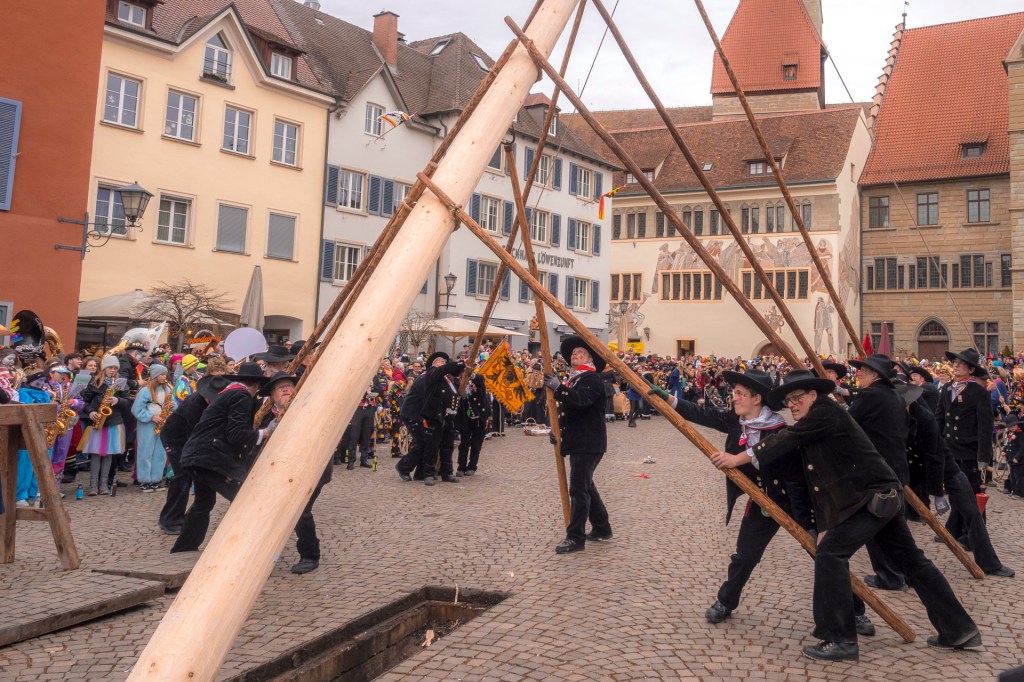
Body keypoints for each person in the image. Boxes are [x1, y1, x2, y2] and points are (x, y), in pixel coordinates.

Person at [712, 370, 981, 662]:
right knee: (913, 562)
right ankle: (959, 630)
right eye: (789, 400)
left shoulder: (825, 411)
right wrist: (826, 523)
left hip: (870, 499)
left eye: (798, 398)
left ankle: (840, 639)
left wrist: (737, 458)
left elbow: (786, 438)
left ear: (814, 395)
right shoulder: (817, 419)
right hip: (874, 498)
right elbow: (821, 484)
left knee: (829, 555)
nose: (793, 405)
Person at [650, 368, 819, 625]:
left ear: (757, 399)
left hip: (792, 501)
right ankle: (726, 601)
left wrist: (807, 523)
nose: (734, 398)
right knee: (745, 556)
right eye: (734, 393)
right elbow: (702, 414)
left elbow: (796, 481)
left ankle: (856, 609)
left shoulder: (780, 431)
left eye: (739, 394)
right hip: (761, 501)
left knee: (821, 554)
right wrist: (669, 399)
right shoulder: (734, 420)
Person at [171, 363, 275, 553]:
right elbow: (235, 434)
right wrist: (266, 432)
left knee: (204, 503)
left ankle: (184, 548)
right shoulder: (241, 396)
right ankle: (248, 549)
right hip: (209, 457)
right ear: (256, 385)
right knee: (243, 499)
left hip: (199, 455)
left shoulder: (229, 393)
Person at [255, 372, 330, 573]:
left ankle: (310, 555)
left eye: (289, 385)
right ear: (272, 395)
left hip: (313, 466)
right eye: (281, 388)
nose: (286, 389)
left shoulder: (308, 407)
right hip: (281, 470)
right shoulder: (267, 416)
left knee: (300, 510)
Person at [543, 335, 612, 554]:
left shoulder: (591, 378)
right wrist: (557, 431)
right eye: (573, 352)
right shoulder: (575, 378)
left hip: (589, 441)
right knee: (586, 485)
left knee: (578, 490)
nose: (575, 354)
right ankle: (602, 528)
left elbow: (580, 401)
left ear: (589, 358)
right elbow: (568, 412)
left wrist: (559, 390)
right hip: (580, 440)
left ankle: (575, 537)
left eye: (580, 352)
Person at [158, 374, 230, 535]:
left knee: (188, 475)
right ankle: (170, 520)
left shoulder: (219, 403)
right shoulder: (194, 405)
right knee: (182, 475)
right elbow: (196, 435)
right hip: (175, 439)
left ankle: (179, 518)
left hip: (191, 438)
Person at [396, 351, 466, 485]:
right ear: (434, 364)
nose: (444, 364)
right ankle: (405, 467)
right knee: (425, 443)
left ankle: (424, 473)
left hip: (436, 415)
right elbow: (427, 399)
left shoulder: (445, 379)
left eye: (445, 362)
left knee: (442, 445)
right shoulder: (429, 375)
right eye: (441, 361)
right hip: (414, 414)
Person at [79, 356, 131, 496]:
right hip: (97, 422)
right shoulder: (94, 382)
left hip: (113, 422)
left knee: (108, 454)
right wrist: (90, 412)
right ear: (104, 368)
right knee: (96, 455)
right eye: (110, 368)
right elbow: (85, 401)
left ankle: (104, 485)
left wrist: (117, 399)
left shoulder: (121, 383)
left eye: (115, 368)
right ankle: (93, 486)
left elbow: (127, 401)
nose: (112, 370)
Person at [131, 364, 172, 492]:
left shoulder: (168, 390)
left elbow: (173, 405)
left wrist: (172, 405)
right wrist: (150, 417)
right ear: (155, 376)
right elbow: (136, 409)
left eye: (165, 374)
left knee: (160, 453)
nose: (164, 377)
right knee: (146, 451)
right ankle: (145, 480)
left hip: (163, 423)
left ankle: (156, 479)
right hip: (148, 424)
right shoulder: (145, 391)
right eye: (162, 374)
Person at [456, 371, 490, 476]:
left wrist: (470, 373)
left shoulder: (478, 382)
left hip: (479, 419)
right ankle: (461, 467)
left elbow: (480, 379)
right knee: (464, 444)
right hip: (465, 419)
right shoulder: (458, 384)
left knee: (476, 445)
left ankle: (472, 466)